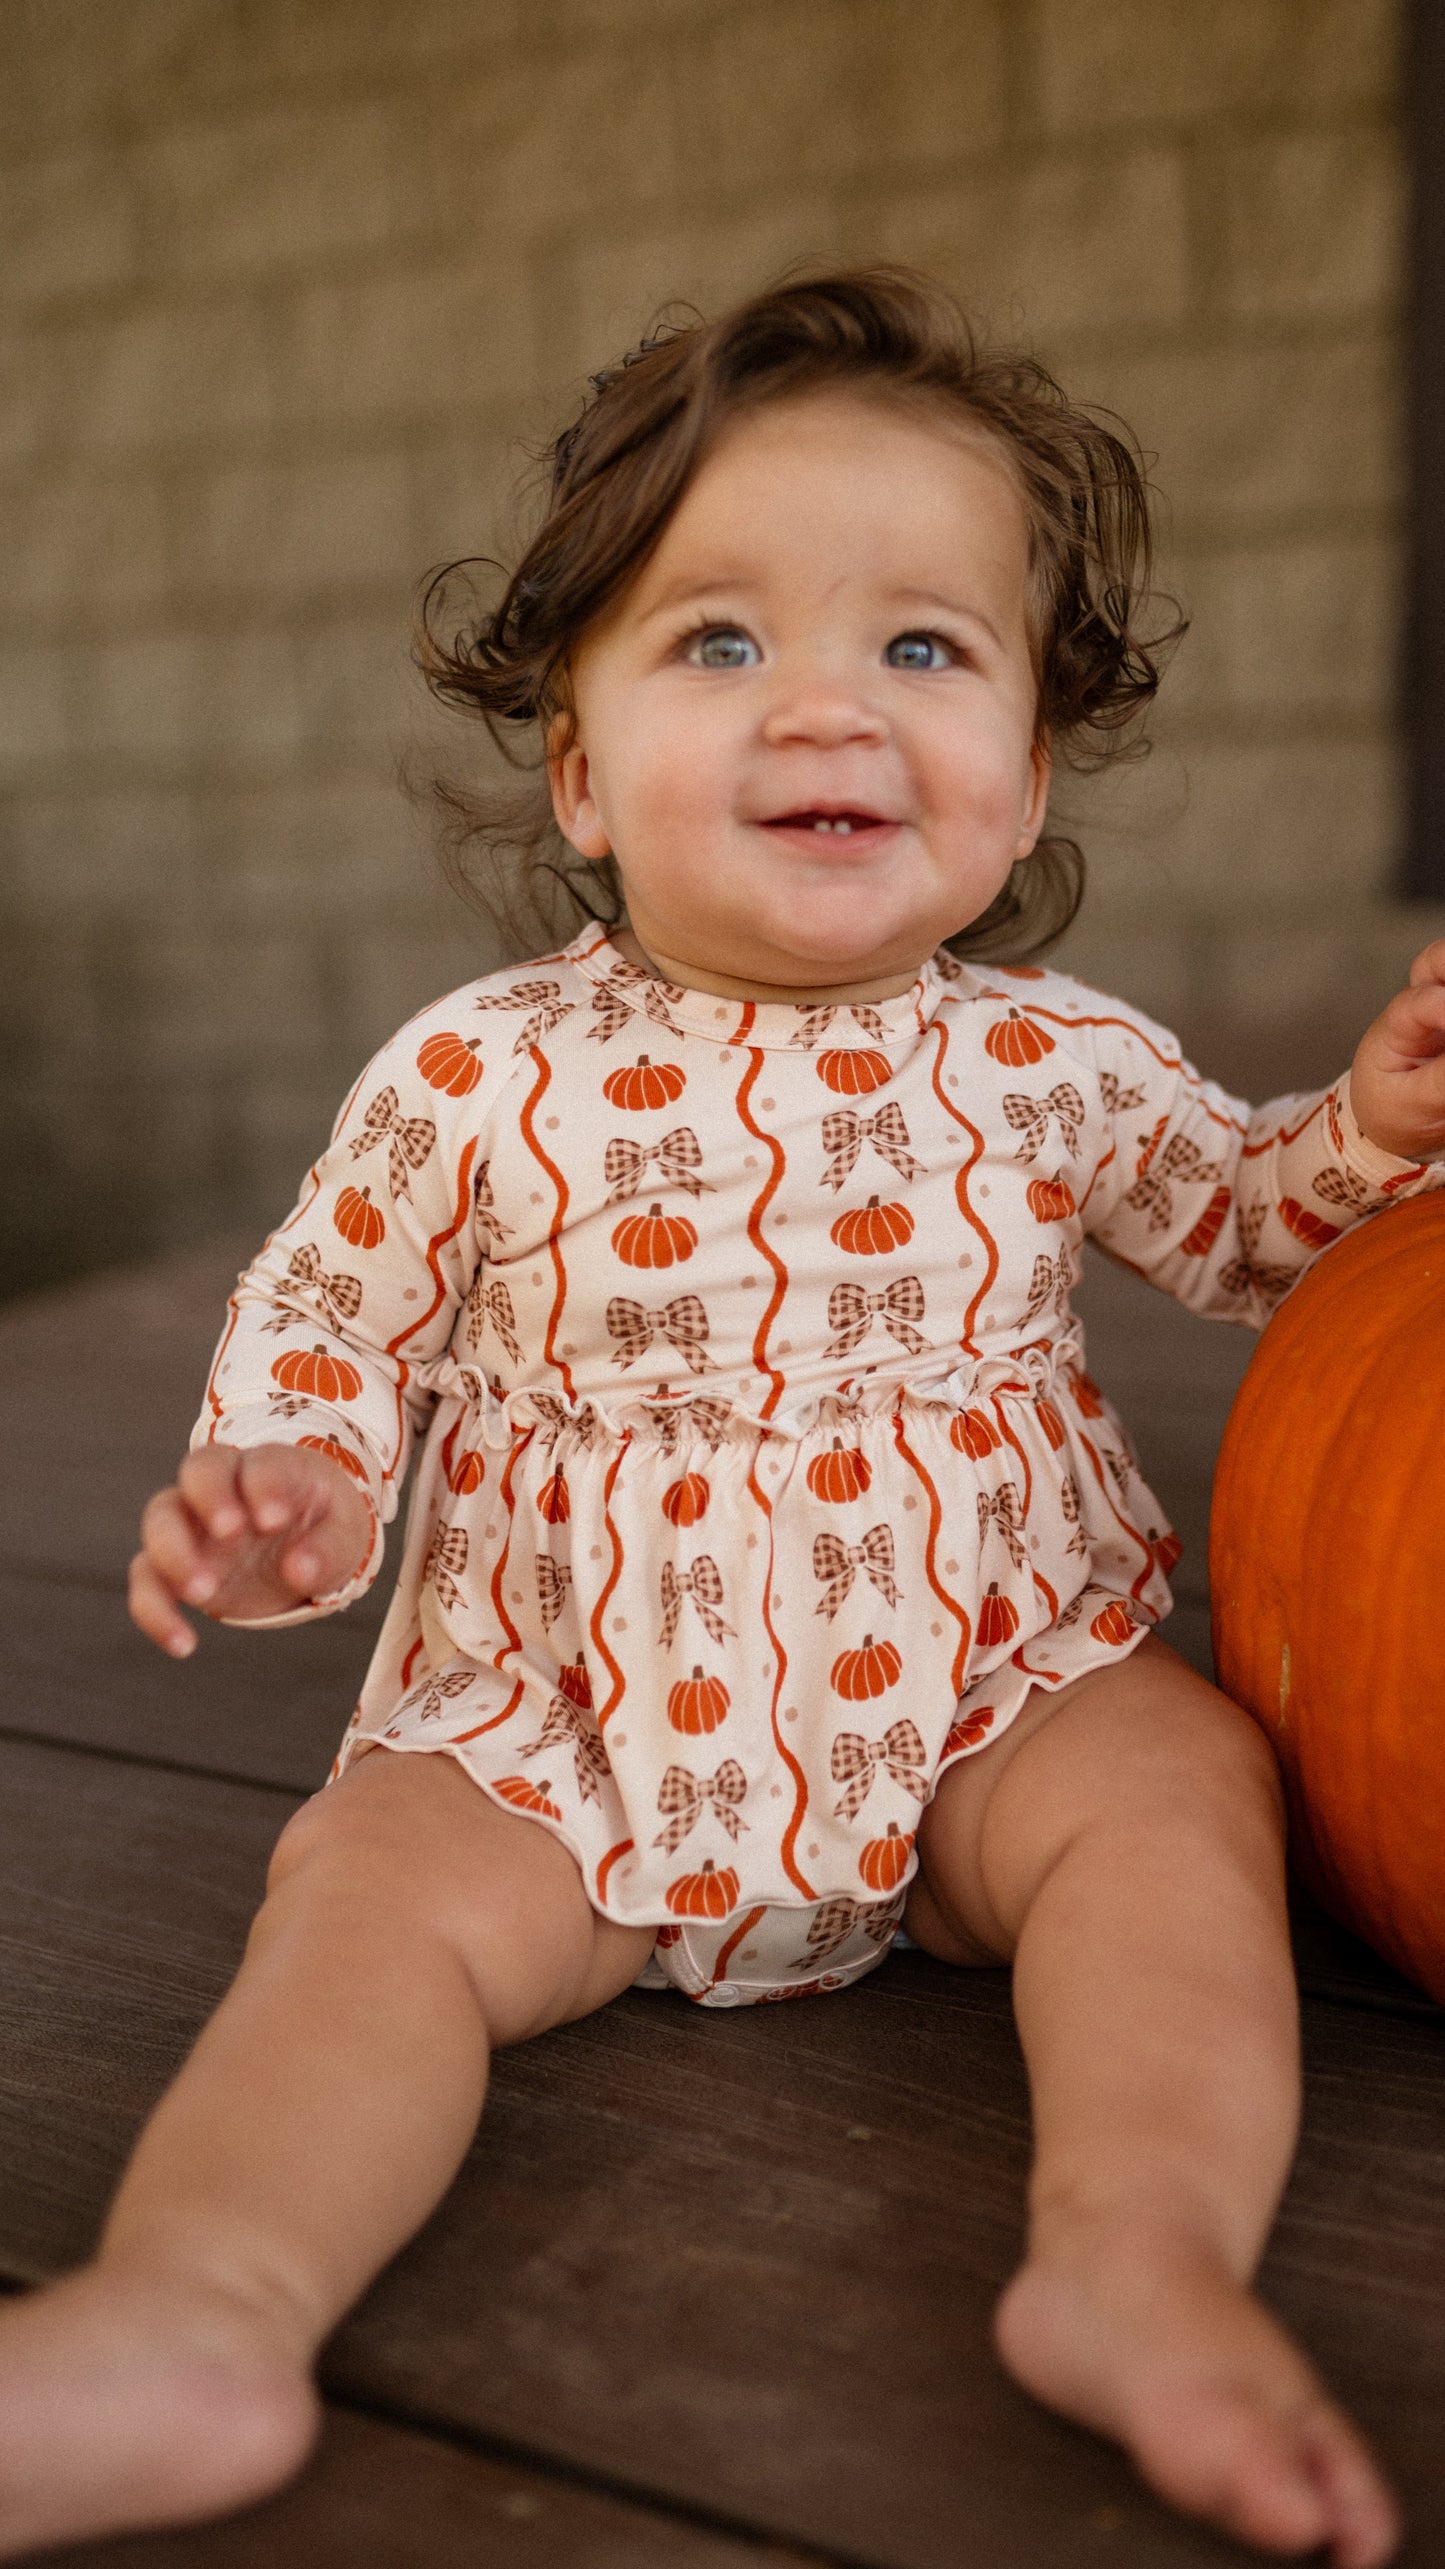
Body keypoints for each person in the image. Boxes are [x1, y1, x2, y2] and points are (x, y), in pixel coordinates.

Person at [3, 268, 1442, 2566]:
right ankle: (201, 2308)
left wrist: (1361, 1129)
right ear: (577, 768)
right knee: (361, 1896)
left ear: (1034, 766)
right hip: (556, 1720)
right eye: (720, 642)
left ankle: (1137, 2253)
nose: (827, 713)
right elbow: (330, 1320)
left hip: (986, 1680)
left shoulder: (1051, 1059)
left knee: (1179, 1791)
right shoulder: (479, 1072)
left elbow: (1251, 1227)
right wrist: (286, 1477)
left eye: (925, 647)